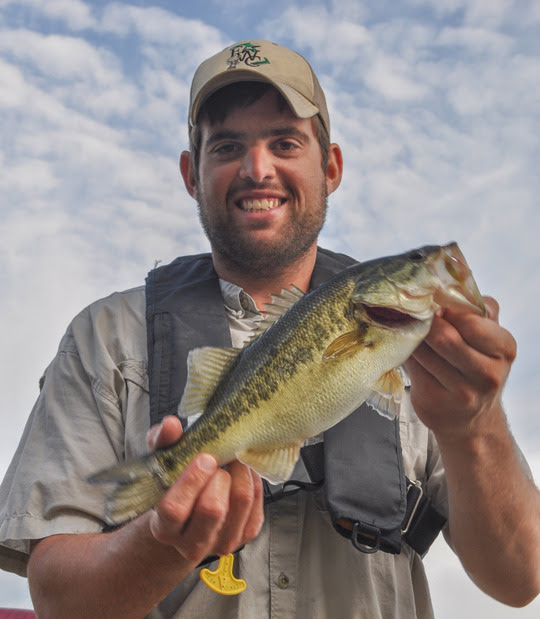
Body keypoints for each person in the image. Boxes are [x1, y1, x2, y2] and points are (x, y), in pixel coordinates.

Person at [0, 39, 538, 618]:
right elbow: (56, 599)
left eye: (285, 142)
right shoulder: (104, 339)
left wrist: (473, 427)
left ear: (330, 166)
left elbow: (520, 579)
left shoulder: (427, 356)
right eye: (228, 146)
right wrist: (162, 543)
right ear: (191, 173)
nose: (258, 169)